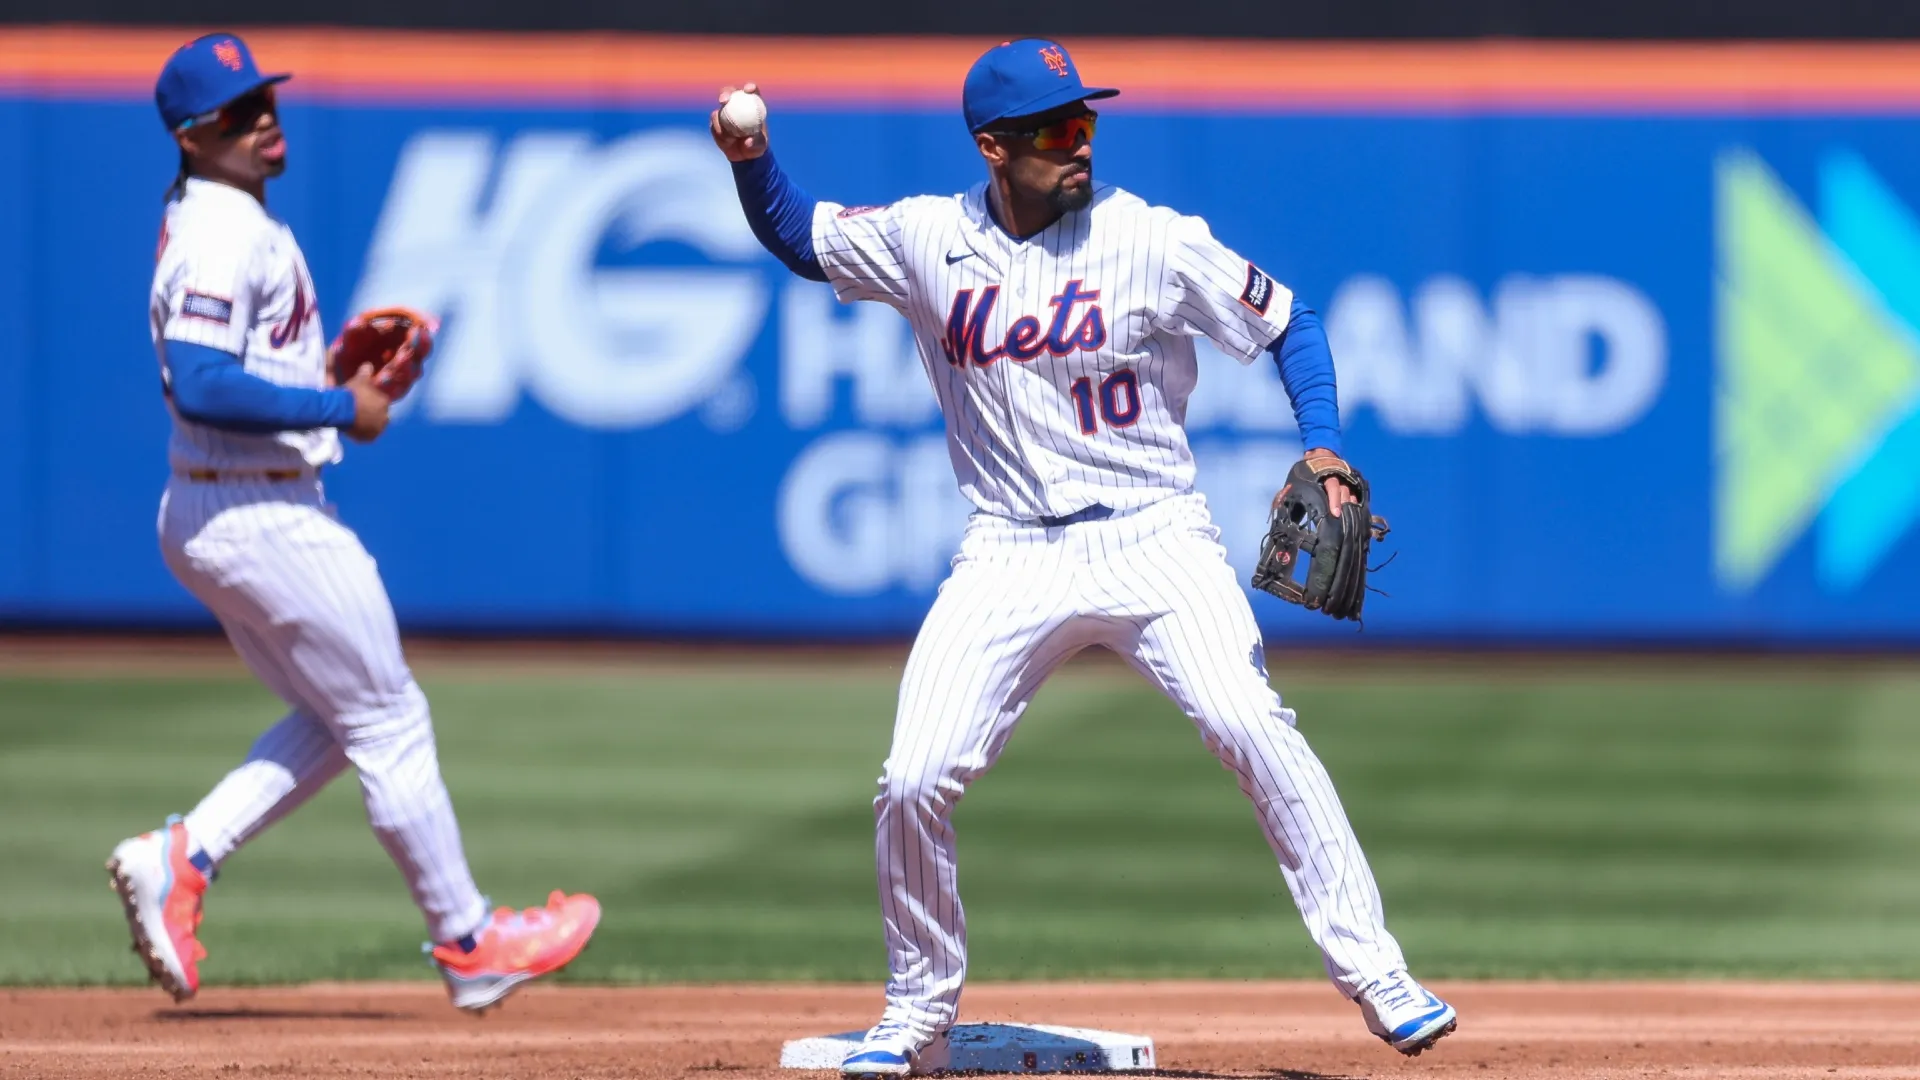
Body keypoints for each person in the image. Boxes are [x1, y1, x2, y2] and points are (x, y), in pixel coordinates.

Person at [713, 38, 1456, 1074]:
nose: (1080, 145)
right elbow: (801, 236)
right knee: (914, 777)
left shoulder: (1150, 238)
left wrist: (1322, 437)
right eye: (1057, 131)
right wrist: (748, 160)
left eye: (1086, 123)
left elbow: (1292, 323)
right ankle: (916, 1011)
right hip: (1009, 552)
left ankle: (1379, 977)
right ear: (993, 148)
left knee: (1251, 723)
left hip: (1156, 535)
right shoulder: (929, 239)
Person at [107, 32, 599, 1013]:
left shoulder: (222, 216)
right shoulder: (222, 231)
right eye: (239, 112)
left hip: (218, 501)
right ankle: (468, 939)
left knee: (344, 718)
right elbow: (200, 382)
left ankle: (183, 855)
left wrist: (322, 375)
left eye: (265, 98)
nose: (264, 118)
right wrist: (343, 408)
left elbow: (223, 368)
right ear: (194, 136)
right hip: (259, 512)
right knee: (389, 717)